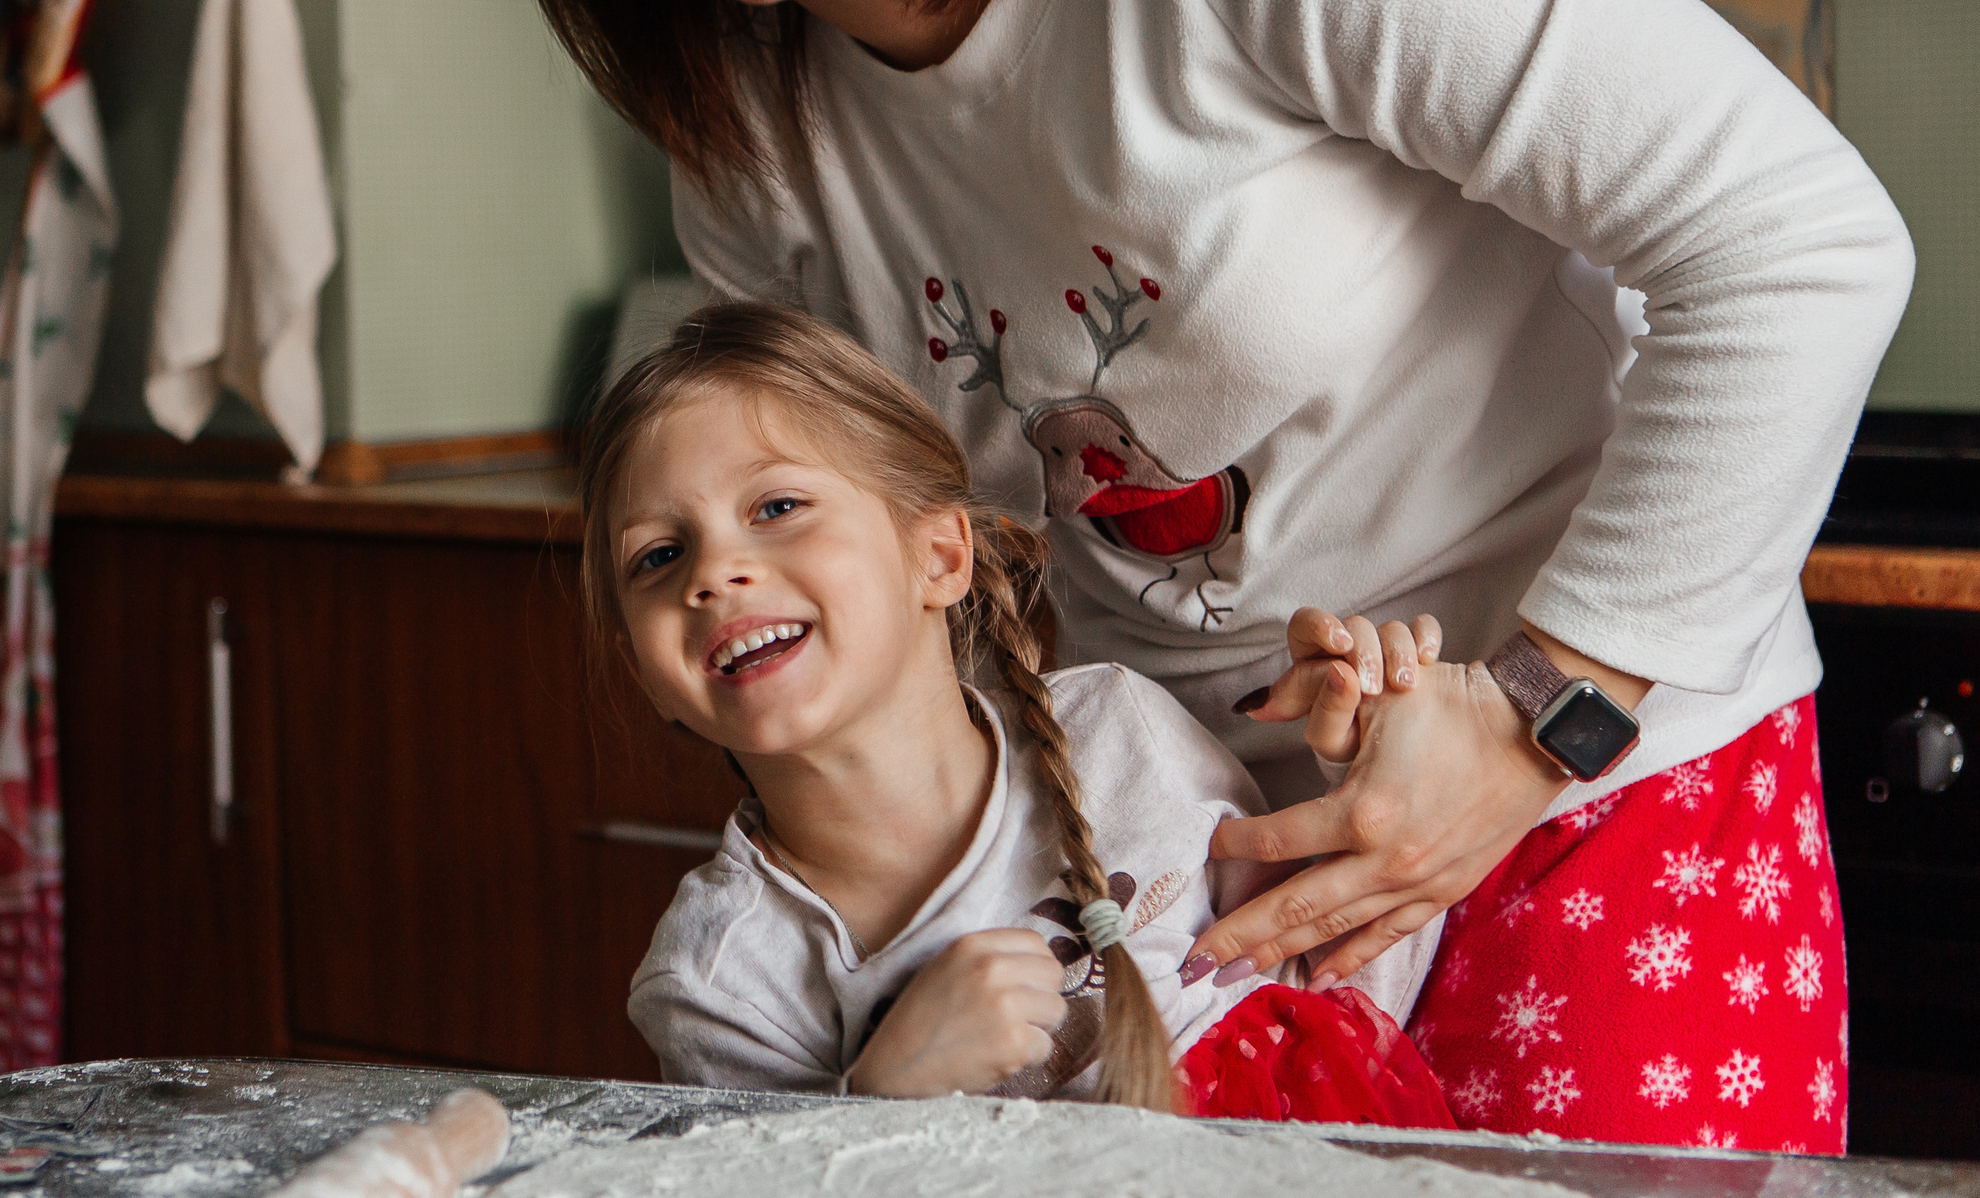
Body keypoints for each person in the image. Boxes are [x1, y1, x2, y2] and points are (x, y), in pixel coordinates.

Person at [420, 0, 1912, 1151]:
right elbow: (927, 589)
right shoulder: (755, 152)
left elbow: (1797, 238)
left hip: (1598, 783)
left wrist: (1534, 725)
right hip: (1190, 884)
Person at [587, 299, 1452, 1122]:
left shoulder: (1121, 733)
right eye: (659, 555)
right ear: (649, 674)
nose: (713, 572)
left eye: (776, 506)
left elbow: (1325, 985)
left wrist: (1374, 755)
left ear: (938, 554)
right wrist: (882, 1090)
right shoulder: (714, 980)